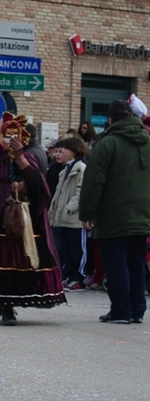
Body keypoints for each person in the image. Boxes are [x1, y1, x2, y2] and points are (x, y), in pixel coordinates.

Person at [0, 113, 65, 325]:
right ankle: (4, 304)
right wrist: (12, 187)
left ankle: (10, 304)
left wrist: (20, 159)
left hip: (26, 218)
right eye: (7, 135)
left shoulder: (29, 156)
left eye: (15, 135)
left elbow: (37, 185)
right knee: (1, 260)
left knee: (25, 261)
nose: (10, 139)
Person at [78, 100, 150, 324]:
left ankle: (121, 311)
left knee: (116, 262)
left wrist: (86, 213)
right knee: (136, 262)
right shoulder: (147, 140)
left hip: (113, 214)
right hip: (143, 212)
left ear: (110, 119)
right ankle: (137, 309)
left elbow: (93, 182)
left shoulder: (107, 143)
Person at [49, 137, 88, 290]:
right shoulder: (65, 169)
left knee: (77, 249)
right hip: (62, 217)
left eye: (64, 150)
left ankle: (79, 277)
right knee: (66, 249)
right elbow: (59, 193)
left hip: (74, 217)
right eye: (58, 150)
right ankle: (69, 275)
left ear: (74, 150)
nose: (60, 153)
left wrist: (68, 208)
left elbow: (81, 192)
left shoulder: (81, 167)